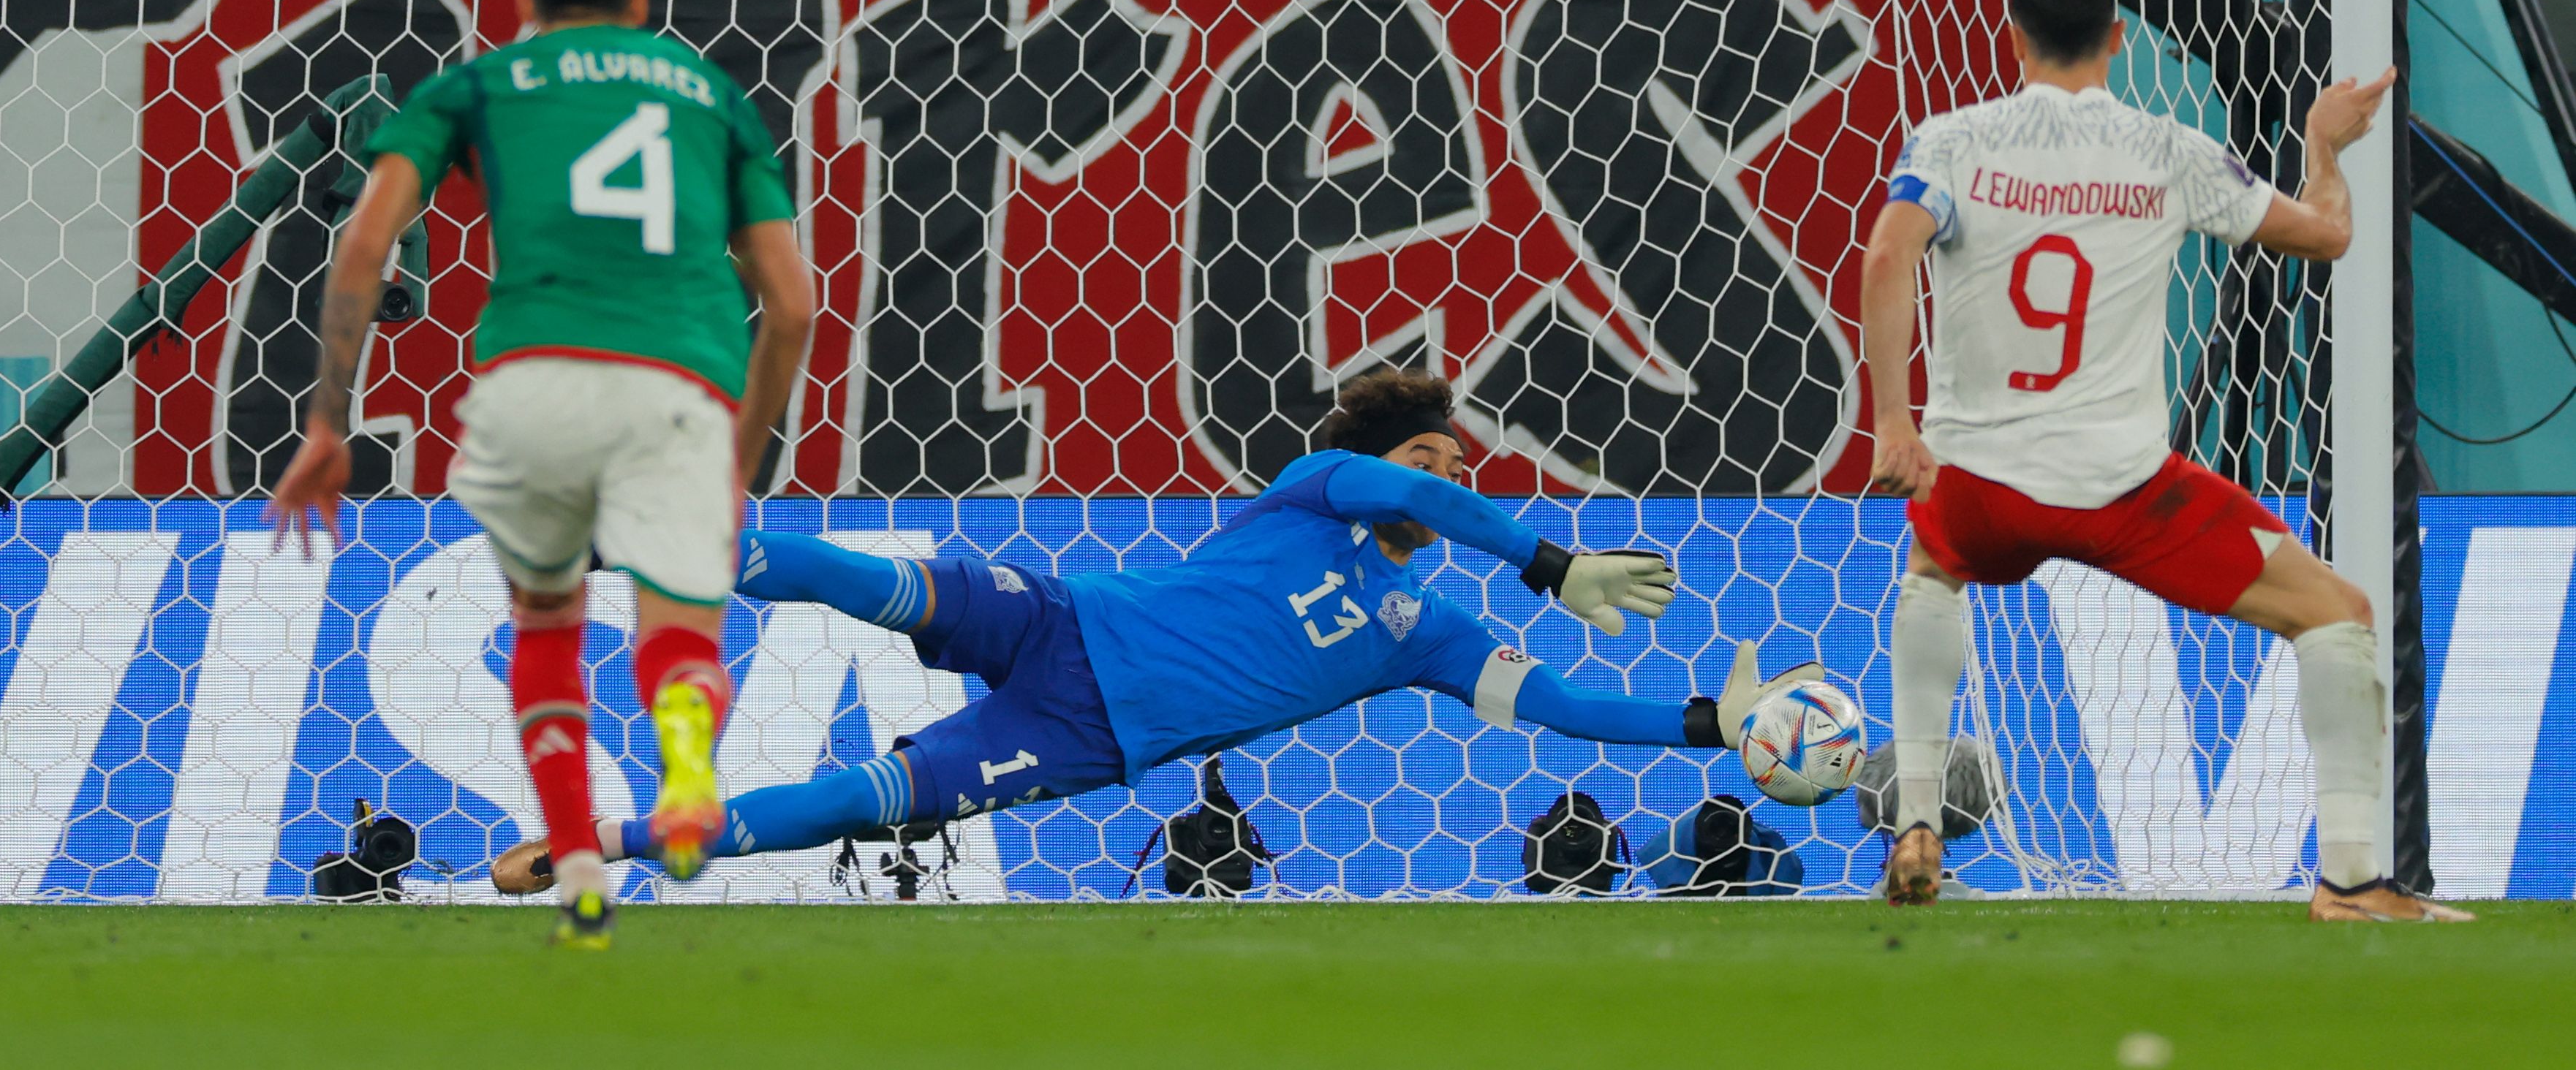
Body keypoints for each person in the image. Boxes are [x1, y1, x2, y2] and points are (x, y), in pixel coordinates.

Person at [484, 368, 1821, 895]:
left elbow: (1565, 710)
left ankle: (591, 841)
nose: (1449, 484)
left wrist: (1716, 727)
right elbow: (1402, 486)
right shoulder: (1320, 493)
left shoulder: (1425, 630)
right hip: (1066, 621)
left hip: (1083, 736)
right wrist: (1548, 557)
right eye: (1435, 459)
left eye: (1462, 472)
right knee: (870, 579)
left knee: (867, 802)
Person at [1860, 0, 2468, 925]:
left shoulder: (1949, 140)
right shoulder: (2168, 149)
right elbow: (2324, 234)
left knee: (1932, 568)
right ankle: (2353, 880)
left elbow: (1888, 248)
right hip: (2121, 489)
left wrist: (1894, 417)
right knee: (2338, 610)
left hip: (1976, 486)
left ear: (2011, 33)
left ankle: (1917, 820)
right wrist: (2323, 146)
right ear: (2117, 36)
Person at [269, 0, 817, 948]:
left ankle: (574, 863)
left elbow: (363, 243)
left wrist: (330, 419)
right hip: (682, 383)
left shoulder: (476, 83)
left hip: (535, 383)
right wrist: (737, 462)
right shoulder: (708, 96)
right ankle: (685, 752)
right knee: (675, 617)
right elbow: (792, 301)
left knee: (547, 622)